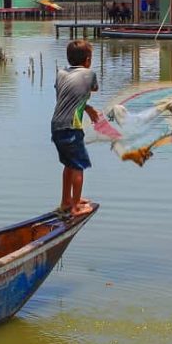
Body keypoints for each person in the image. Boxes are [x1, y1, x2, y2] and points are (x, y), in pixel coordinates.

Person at [51, 40, 100, 218]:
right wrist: (89, 107)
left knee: (68, 164)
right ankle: (74, 207)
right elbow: (92, 89)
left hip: (56, 126)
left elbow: (67, 97)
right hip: (72, 127)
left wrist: (87, 108)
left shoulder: (61, 73)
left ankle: (66, 201)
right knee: (78, 166)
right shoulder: (89, 74)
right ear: (87, 60)